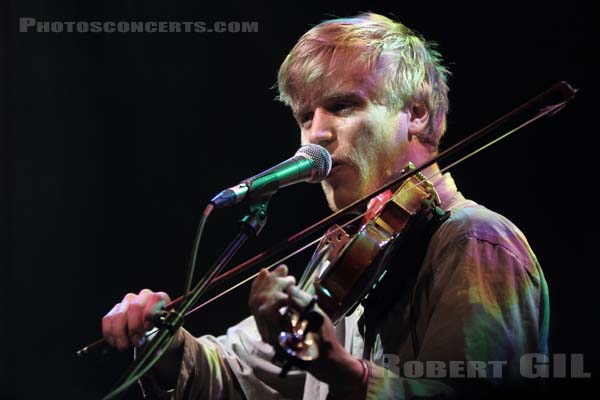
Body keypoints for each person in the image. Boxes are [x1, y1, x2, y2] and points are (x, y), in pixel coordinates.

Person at [101, 13, 549, 399]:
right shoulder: (344, 258)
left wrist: (341, 370)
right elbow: (237, 378)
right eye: (304, 116)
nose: (315, 135)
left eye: (342, 105)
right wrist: (167, 347)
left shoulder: (475, 239)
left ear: (416, 113)